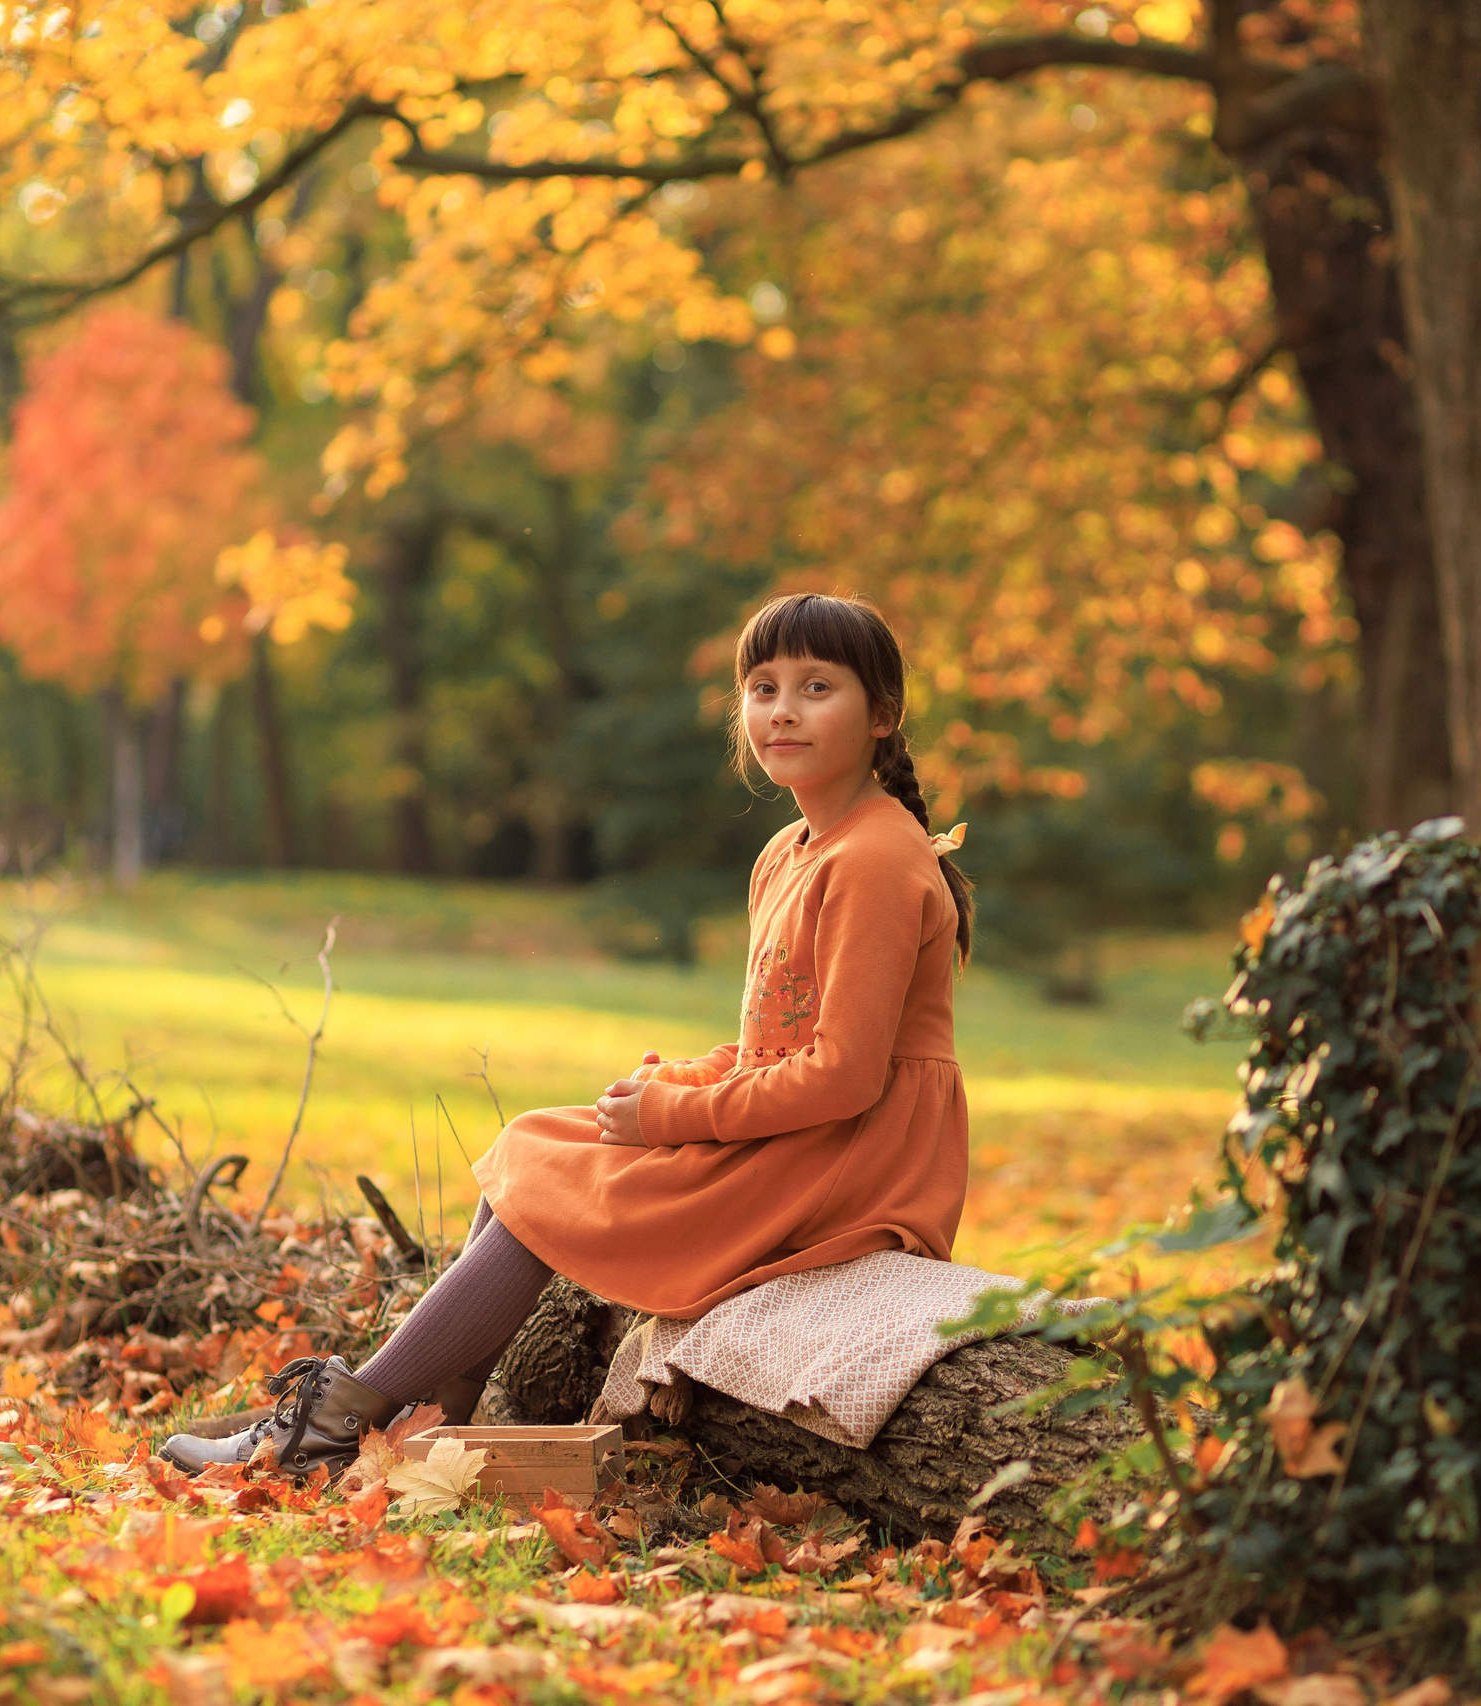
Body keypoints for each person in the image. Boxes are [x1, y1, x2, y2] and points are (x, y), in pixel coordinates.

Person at [164, 592, 976, 1478]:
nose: (781, 709)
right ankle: (427, 1424)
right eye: (762, 687)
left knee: (559, 1183)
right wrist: (674, 1080)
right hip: (806, 1130)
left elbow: (845, 1077)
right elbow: (771, 1038)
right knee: (536, 1142)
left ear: (882, 715)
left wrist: (673, 1117)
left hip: (853, 1163)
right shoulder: (788, 851)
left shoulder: (877, 859)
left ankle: (333, 1427)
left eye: (816, 687)